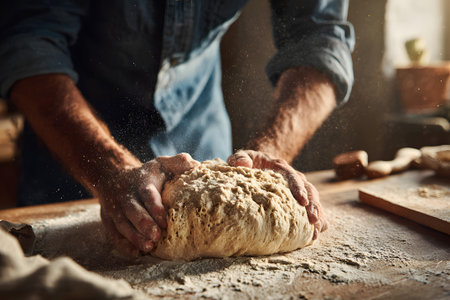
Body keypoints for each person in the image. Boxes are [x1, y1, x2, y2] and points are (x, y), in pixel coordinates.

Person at [0, 0, 354, 257]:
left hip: (206, 144)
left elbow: (320, 39)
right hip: (74, 158)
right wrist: (109, 171)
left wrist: (268, 161)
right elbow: (27, 43)